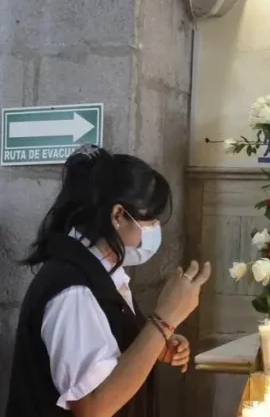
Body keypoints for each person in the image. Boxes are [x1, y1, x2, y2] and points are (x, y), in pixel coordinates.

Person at [6, 145, 211, 417]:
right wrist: (164, 321)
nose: (154, 228)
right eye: (149, 218)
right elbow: (94, 405)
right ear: (117, 215)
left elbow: (109, 353)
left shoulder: (102, 271)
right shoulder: (73, 290)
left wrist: (155, 347)